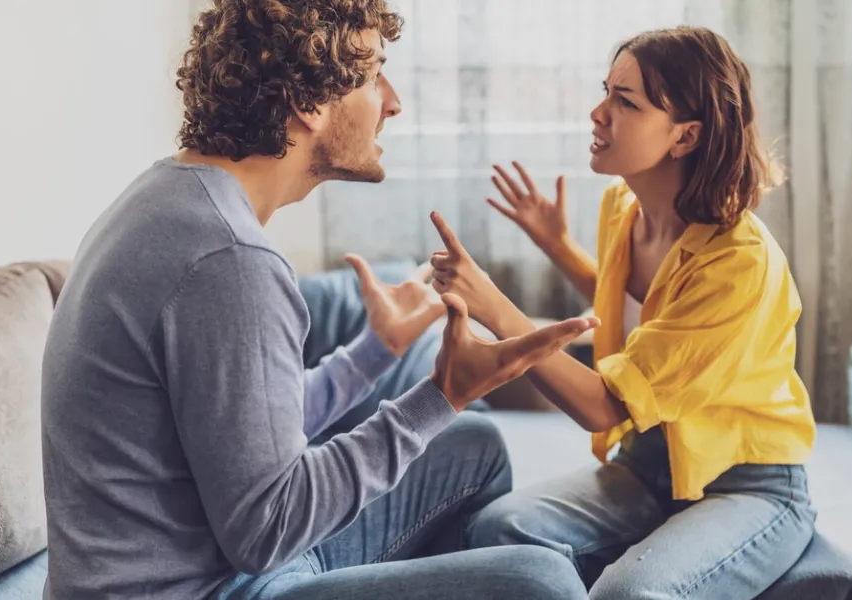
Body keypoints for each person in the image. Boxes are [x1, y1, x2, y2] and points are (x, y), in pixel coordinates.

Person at [39, 1, 597, 599]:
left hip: (223, 563)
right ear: (308, 103)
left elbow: (244, 435)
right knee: (540, 583)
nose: (393, 101)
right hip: (210, 587)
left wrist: (374, 352)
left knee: (473, 448)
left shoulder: (168, 196)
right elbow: (268, 529)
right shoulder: (230, 260)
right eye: (372, 74)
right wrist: (445, 394)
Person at [427, 26, 818, 599]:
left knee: (626, 595)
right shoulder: (623, 208)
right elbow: (647, 317)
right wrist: (559, 246)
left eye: (624, 101)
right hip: (647, 465)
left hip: (746, 484)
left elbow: (604, 406)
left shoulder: (739, 264)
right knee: (499, 529)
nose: (597, 112)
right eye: (605, 91)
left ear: (685, 137)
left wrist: (495, 308)